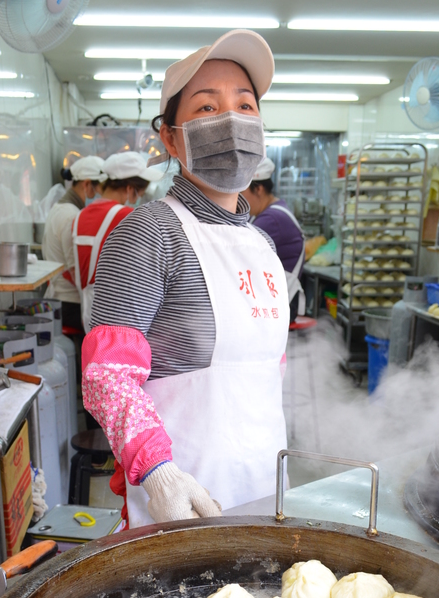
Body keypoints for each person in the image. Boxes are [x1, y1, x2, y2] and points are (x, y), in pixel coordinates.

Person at [82, 30, 289, 529]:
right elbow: (107, 378)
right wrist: (157, 472)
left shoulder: (262, 244)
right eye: (206, 108)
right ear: (170, 137)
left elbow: (265, 376)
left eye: (245, 105)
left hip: (265, 490)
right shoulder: (150, 231)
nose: (231, 121)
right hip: (184, 501)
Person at [73, 152, 164, 333]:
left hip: (87, 310)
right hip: (116, 313)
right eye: (140, 192)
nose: (139, 198)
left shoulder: (80, 215)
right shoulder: (126, 216)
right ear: (130, 189)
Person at [42, 155, 106, 335]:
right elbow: (74, 273)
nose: (101, 196)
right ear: (87, 185)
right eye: (99, 190)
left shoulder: (60, 208)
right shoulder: (71, 216)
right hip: (69, 304)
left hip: (60, 298)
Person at [242, 157, 306, 323]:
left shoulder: (272, 219)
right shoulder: (275, 211)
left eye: (243, 193)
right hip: (277, 302)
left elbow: (241, 256)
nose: (240, 200)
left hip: (278, 304)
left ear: (259, 189)